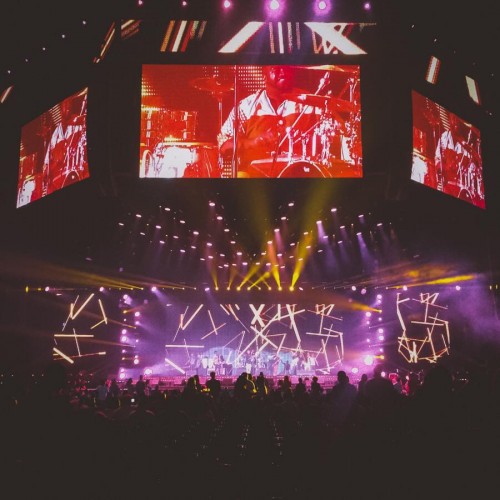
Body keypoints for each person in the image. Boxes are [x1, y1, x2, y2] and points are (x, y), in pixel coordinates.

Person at [218, 65, 324, 178]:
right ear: (264, 76)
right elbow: (224, 147)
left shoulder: (310, 104)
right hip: (254, 179)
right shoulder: (246, 107)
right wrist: (254, 142)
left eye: (287, 68)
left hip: (298, 176)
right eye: (276, 68)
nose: (283, 72)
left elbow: (336, 136)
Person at [42, 94, 87, 196]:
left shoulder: (77, 124)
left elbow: (84, 144)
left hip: (76, 175)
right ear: (61, 108)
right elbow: (46, 163)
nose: (67, 108)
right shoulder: (56, 133)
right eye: (64, 105)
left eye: (69, 104)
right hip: (58, 180)